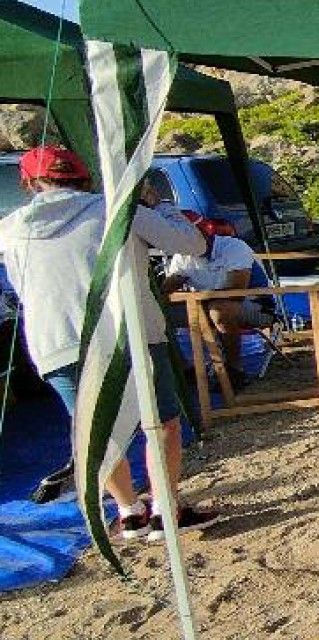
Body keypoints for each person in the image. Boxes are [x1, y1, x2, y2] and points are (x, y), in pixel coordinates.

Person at [0, 145, 216, 541]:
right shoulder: (117, 209)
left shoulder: (9, 229)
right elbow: (193, 243)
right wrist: (160, 206)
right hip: (128, 332)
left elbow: (18, 287)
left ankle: (129, 512)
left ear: (28, 183)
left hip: (57, 342)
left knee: (97, 433)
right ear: (84, 177)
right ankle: (165, 509)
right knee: (159, 422)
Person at [161, 221, 275, 390]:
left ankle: (234, 370)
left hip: (257, 306)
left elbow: (237, 290)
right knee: (156, 313)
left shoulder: (234, 247)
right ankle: (186, 370)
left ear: (205, 234)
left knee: (220, 310)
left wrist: (200, 298)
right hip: (208, 306)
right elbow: (167, 289)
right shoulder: (183, 256)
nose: (185, 243)